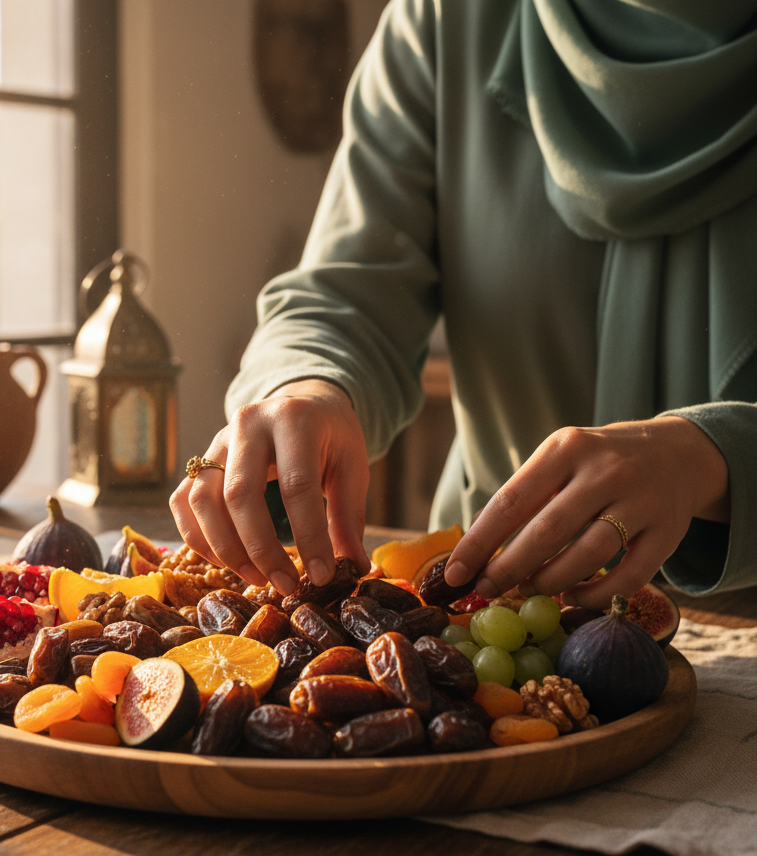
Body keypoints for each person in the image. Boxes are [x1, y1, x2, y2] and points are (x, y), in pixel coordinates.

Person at [170, 0, 757, 609]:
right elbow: (349, 288)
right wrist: (308, 384)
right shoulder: (445, 17)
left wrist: (712, 458)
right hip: (475, 602)